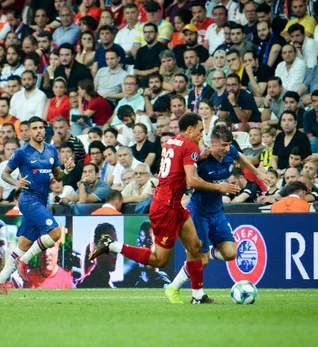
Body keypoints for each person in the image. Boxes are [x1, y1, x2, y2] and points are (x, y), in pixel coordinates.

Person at [88, 113, 240, 304]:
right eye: (200, 130)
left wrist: (200, 156)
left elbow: (179, 164)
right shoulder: (190, 146)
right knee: (159, 260)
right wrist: (220, 187)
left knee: (195, 247)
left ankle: (198, 296)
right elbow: (192, 181)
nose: (202, 135)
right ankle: (111, 245)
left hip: (173, 204)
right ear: (190, 129)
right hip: (165, 208)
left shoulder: (173, 142)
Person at [166, 126, 269, 302]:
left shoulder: (230, 152)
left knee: (230, 253)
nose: (227, 149)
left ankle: (209, 252)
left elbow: (240, 157)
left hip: (217, 213)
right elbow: (190, 183)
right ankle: (173, 288)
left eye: (229, 145)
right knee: (202, 261)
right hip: (199, 213)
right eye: (223, 145)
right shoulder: (201, 160)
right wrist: (218, 187)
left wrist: (257, 173)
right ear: (212, 143)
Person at [0, 116, 75, 295]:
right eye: (34, 128)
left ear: (45, 130)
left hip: (41, 201)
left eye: (41, 128)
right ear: (28, 131)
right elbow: (5, 174)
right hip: (29, 200)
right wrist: (16, 183)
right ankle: (25, 261)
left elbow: (57, 176)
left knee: (23, 245)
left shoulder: (52, 150)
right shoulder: (22, 153)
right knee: (56, 233)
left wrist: (67, 170)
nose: (38, 131)